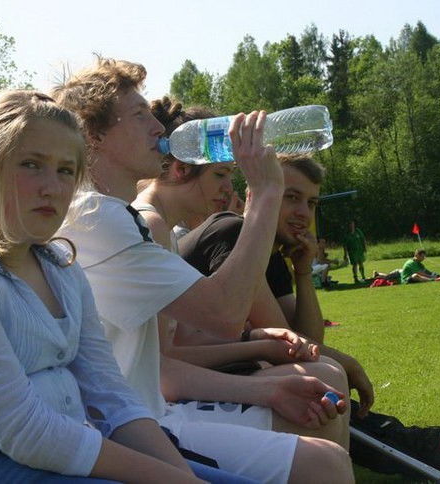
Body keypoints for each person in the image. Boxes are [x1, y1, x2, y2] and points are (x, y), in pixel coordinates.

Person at [0, 89, 249, 484]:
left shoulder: (61, 267)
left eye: (66, 171)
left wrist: (182, 475)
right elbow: (27, 433)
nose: (52, 187)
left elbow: (112, 397)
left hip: (60, 454)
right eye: (31, 165)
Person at [54, 57, 354, 484]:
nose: (156, 127)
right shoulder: (99, 217)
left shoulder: (115, 215)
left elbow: (165, 360)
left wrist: (264, 378)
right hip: (125, 429)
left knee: (319, 426)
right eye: (139, 115)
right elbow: (224, 314)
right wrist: (265, 193)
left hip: (145, 413)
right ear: (93, 135)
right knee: (324, 462)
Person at [178, 154, 440, 479]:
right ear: (256, 193)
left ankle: (434, 448)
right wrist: (348, 363)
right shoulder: (233, 232)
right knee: (319, 380)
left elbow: (308, 337)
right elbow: (287, 340)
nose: (304, 213)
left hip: (223, 371)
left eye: (311, 202)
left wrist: (303, 271)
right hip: (182, 381)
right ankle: (434, 448)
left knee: (318, 381)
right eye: (291, 197)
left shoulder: (270, 254)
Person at [133, 96, 351, 448]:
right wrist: (265, 194)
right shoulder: (152, 225)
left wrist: (256, 342)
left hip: (157, 397)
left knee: (325, 378)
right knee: (323, 393)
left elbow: (172, 350)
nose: (228, 188)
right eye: (221, 174)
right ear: (181, 169)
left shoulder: (163, 231)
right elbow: (218, 324)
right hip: (149, 411)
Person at [342, 219, 367, 283]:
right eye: (350, 224)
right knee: (355, 264)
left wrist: (365, 247)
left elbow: (363, 239)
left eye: (352, 224)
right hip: (352, 252)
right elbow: (345, 245)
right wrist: (345, 254)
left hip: (360, 251)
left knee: (361, 263)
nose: (351, 225)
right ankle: (355, 278)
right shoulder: (346, 235)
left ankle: (363, 276)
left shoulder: (358, 231)